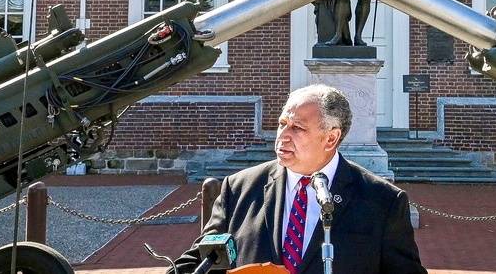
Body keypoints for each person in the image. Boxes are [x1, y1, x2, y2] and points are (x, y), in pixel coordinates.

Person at [171, 84, 426, 274]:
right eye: (282, 124)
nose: (282, 136)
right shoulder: (238, 189)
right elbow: (198, 262)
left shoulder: (382, 200)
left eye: (297, 128)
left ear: (331, 138)